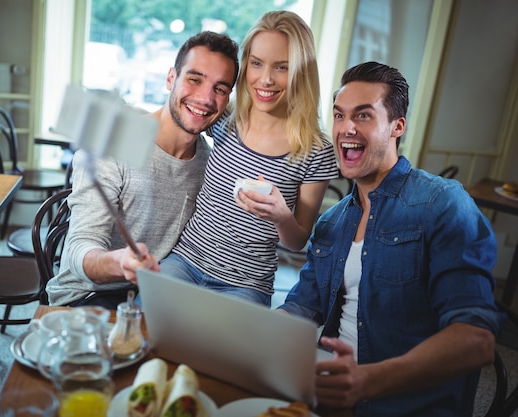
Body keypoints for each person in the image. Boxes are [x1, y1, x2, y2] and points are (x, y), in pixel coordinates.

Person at [278, 61, 502, 416]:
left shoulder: (441, 203)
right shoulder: (332, 223)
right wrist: (248, 334)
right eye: (339, 115)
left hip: (407, 405)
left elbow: (476, 339)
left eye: (363, 116)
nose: (346, 128)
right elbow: (301, 309)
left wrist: (366, 380)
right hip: (328, 395)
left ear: (397, 126)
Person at [45, 31, 239, 309]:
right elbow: (79, 248)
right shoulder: (114, 139)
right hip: (90, 296)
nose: (206, 98)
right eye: (194, 79)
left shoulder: (211, 165)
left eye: (220, 89)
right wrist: (120, 262)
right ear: (170, 78)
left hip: (160, 294)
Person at [160, 10, 339, 306]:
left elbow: (297, 241)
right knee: (146, 331)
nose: (265, 79)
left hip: (246, 284)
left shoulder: (315, 149)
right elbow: (177, 117)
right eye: (256, 63)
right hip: (185, 263)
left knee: (221, 353)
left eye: (282, 67)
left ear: (301, 72)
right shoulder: (227, 117)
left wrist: (282, 215)